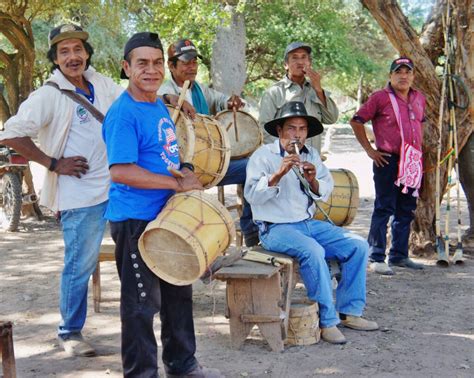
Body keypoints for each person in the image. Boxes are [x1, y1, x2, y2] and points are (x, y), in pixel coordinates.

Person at [0, 24, 124, 357]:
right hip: (79, 195)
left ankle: (138, 322)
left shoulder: (102, 83)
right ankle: (70, 332)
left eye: (78, 49)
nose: (73, 57)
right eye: (64, 51)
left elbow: (127, 107)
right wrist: (53, 163)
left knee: (134, 252)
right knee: (80, 264)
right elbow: (10, 134)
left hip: (118, 187)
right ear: (55, 59)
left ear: (87, 53)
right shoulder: (48, 95)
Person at [102, 32, 221, 378]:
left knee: (177, 294)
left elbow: (166, 154)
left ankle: (182, 364)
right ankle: (141, 373)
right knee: (141, 305)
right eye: (142, 63)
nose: (151, 70)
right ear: (126, 68)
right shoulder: (123, 114)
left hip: (169, 216)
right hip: (136, 221)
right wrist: (175, 183)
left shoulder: (157, 104)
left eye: (157, 63)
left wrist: (185, 170)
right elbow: (121, 171)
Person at [245, 101, 379, 345]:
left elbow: (324, 192)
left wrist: (313, 180)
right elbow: (252, 196)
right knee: (313, 251)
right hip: (274, 228)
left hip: (307, 223)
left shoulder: (311, 155)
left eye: (302, 129)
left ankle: (349, 312)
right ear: (279, 131)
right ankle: (327, 321)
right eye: (291, 128)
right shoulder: (263, 156)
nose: (297, 135)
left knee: (357, 246)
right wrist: (277, 175)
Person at [159, 38, 259, 247]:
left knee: (254, 167)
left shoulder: (200, 90)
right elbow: (152, 99)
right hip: (177, 170)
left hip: (211, 166)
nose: (192, 67)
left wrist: (231, 101)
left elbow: (221, 99)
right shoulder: (163, 88)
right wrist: (169, 98)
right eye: (186, 62)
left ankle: (251, 233)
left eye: (195, 62)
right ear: (171, 65)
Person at [350, 57, 426, 275]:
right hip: (387, 159)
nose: (403, 76)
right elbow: (356, 121)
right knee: (384, 207)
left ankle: (399, 256)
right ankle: (376, 256)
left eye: (407, 72)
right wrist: (369, 150)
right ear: (390, 76)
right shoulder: (380, 98)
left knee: (407, 208)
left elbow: (421, 124)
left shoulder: (419, 98)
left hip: (412, 161)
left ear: (413, 76)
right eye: (398, 72)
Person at [258, 42, 339, 151]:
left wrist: (319, 90)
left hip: (312, 159)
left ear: (309, 63)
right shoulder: (274, 92)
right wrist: (282, 155)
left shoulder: (316, 90)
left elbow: (331, 118)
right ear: (285, 65)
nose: (300, 62)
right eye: (294, 58)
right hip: (284, 161)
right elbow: (264, 130)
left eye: (304, 57)